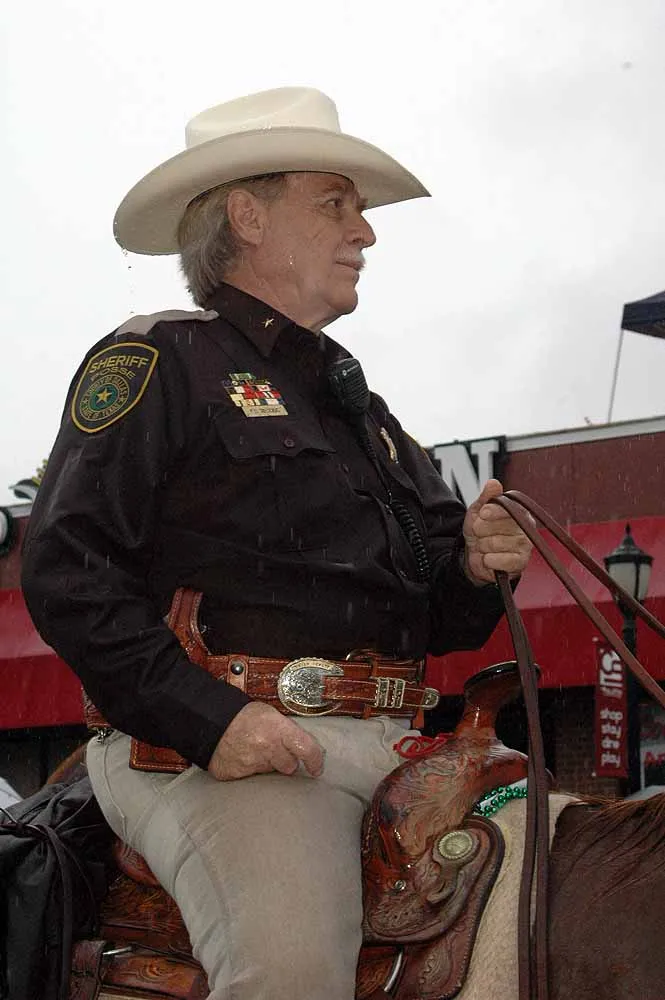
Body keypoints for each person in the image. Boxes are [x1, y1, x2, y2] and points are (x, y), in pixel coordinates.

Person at [22, 87, 532, 1000]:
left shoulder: (362, 410)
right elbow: (68, 570)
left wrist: (473, 561)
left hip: (395, 747)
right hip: (200, 749)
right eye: (335, 203)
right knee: (293, 971)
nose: (364, 232)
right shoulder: (158, 358)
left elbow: (446, 618)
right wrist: (212, 723)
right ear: (247, 217)